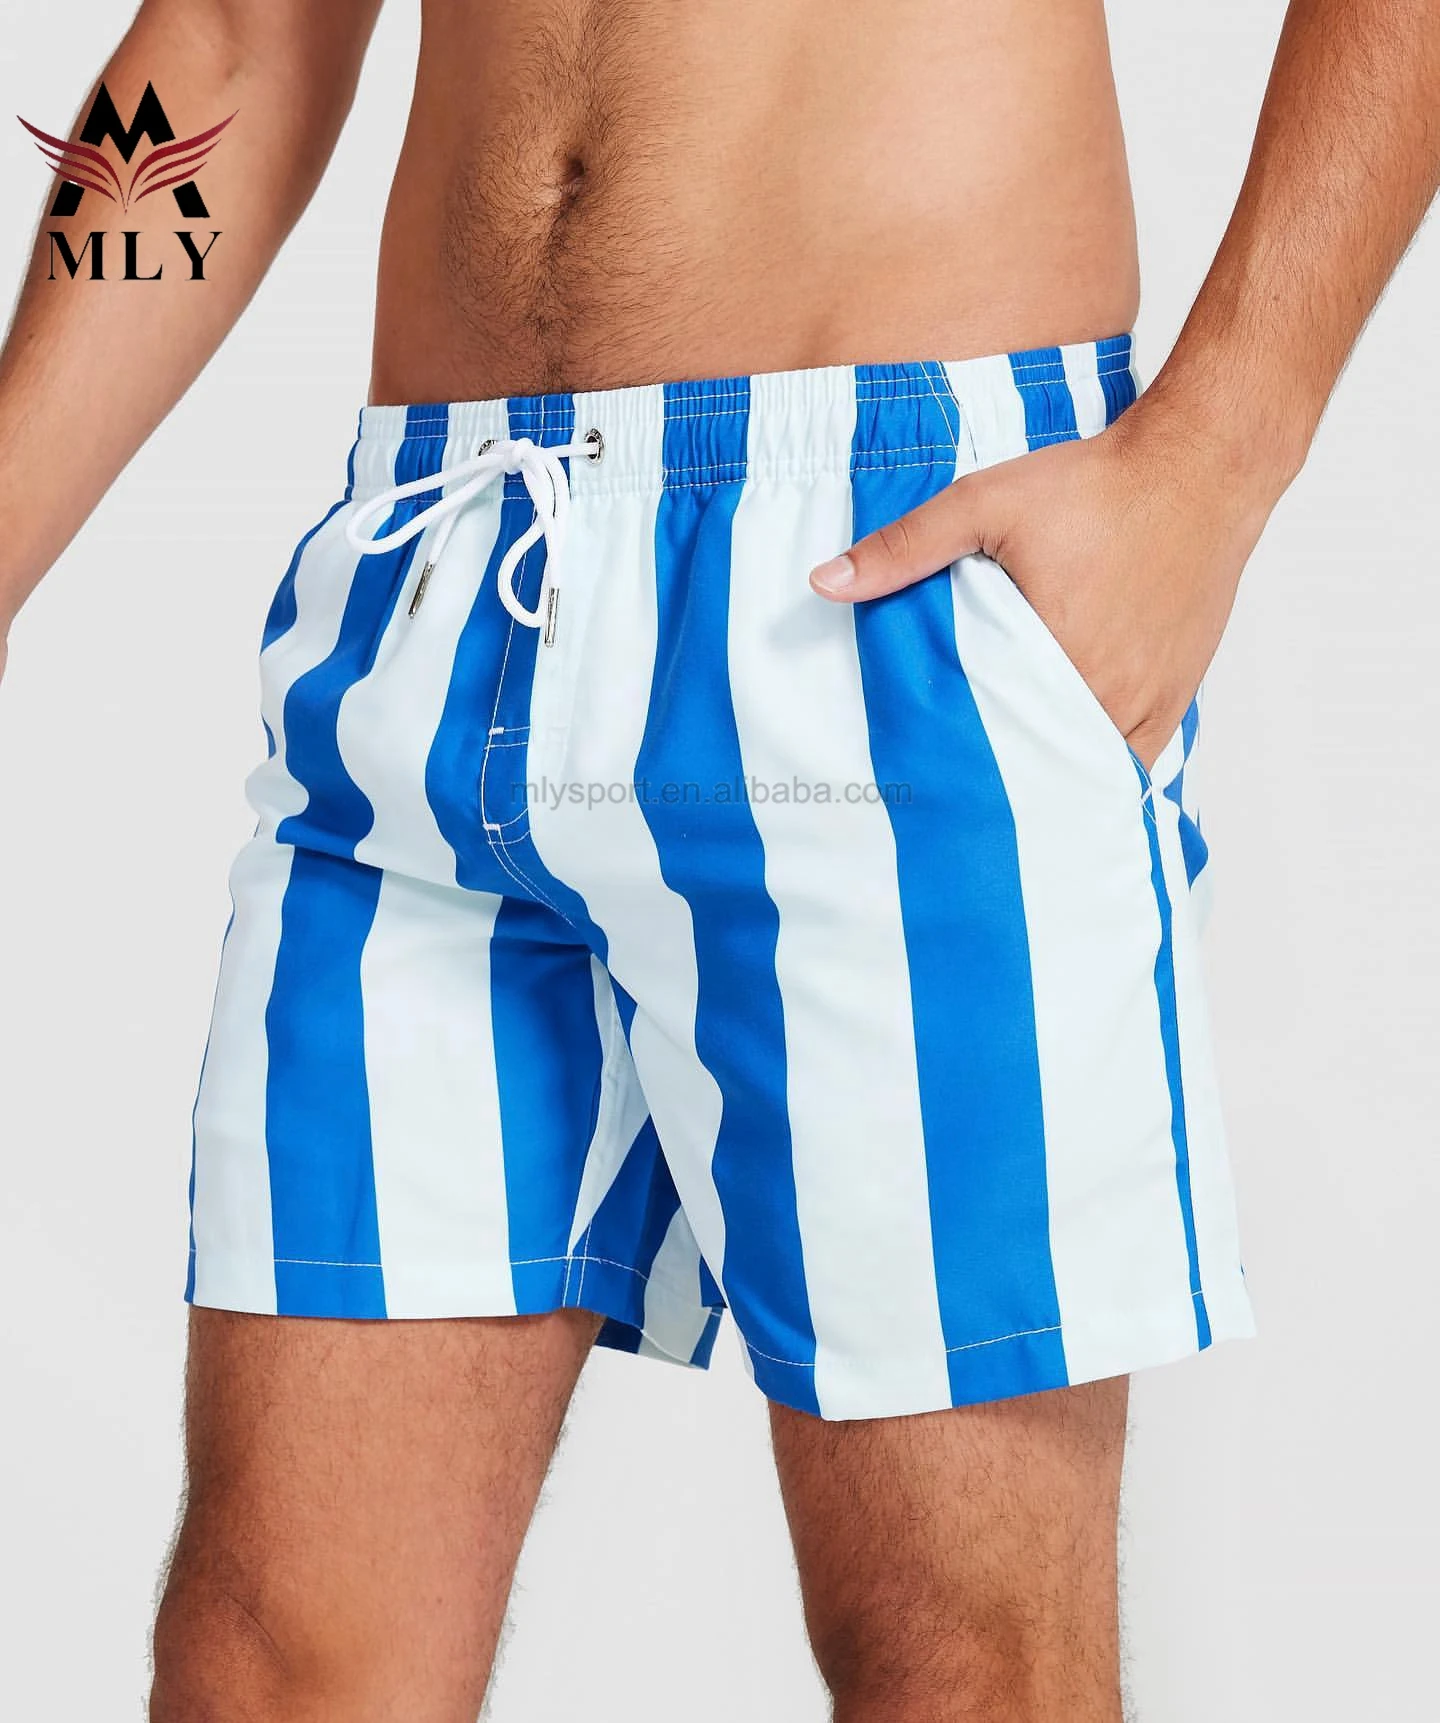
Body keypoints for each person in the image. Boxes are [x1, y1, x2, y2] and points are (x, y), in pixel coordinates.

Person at [1, 1, 1435, 1717]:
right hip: (447, 570)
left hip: (890, 564)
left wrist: (1221, 449)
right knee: (265, 1665)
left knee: (961, 1663)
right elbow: (241, 38)